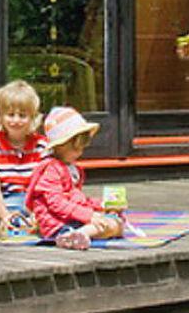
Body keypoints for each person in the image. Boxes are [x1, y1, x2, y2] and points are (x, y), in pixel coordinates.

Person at [24, 105, 124, 250]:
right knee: (110, 225)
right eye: (76, 148)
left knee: (116, 223)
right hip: (56, 223)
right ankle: (78, 234)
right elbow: (57, 203)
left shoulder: (70, 168)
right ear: (60, 146)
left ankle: (77, 235)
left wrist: (102, 205)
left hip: (69, 219)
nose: (80, 152)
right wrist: (89, 216)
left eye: (82, 147)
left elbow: (76, 199)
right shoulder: (51, 169)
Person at [0, 79, 47, 240]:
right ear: (0, 116)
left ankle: (15, 221)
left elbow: (45, 184)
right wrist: (3, 213)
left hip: (32, 199)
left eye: (22, 115)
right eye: (10, 115)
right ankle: (0, 221)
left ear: (32, 118)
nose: (16, 120)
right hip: (4, 199)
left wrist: (37, 209)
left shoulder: (41, 145)